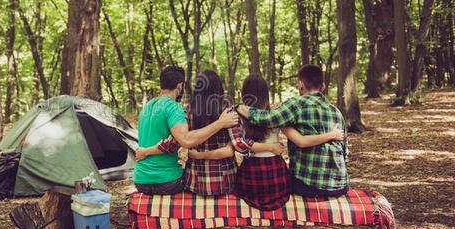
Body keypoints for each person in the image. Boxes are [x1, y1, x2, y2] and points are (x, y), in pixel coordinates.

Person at [138, 70, 284, 196]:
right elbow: (239, 145)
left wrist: (146, 151)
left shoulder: (187, 110)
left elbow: (173, 143)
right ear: (219, 88)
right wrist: (270, 147)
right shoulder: (227, 109)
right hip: (224, 183)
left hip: (195, 183)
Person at [237, 64, 350, 198]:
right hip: (340, 185)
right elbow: (345, 153)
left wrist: (241, 108)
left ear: (300, 85)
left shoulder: (297, 104)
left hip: (309, 185)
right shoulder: (336, 112)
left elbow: (267, 118)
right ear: (323, 86)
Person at [134, 66, 239, 195]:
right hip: (218, 181)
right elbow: (185, 140)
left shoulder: (148, 107)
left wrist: (145, 151)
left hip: (144, 180)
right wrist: (221, 123)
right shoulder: (175, 108)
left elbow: (171, 142)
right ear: (180, 86)